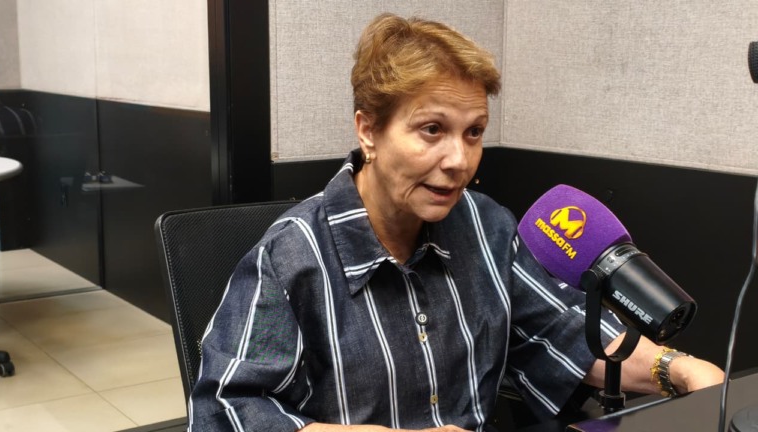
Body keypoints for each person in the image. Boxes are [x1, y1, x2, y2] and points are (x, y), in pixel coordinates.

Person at [189, 13, 724, 432]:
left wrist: (677, 369)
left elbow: (557, 330)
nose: (459, 161)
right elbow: (224, 412)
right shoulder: (290, 258)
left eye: (474, 133)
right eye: (432, 130)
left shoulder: (486, 226)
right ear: (368, 130)